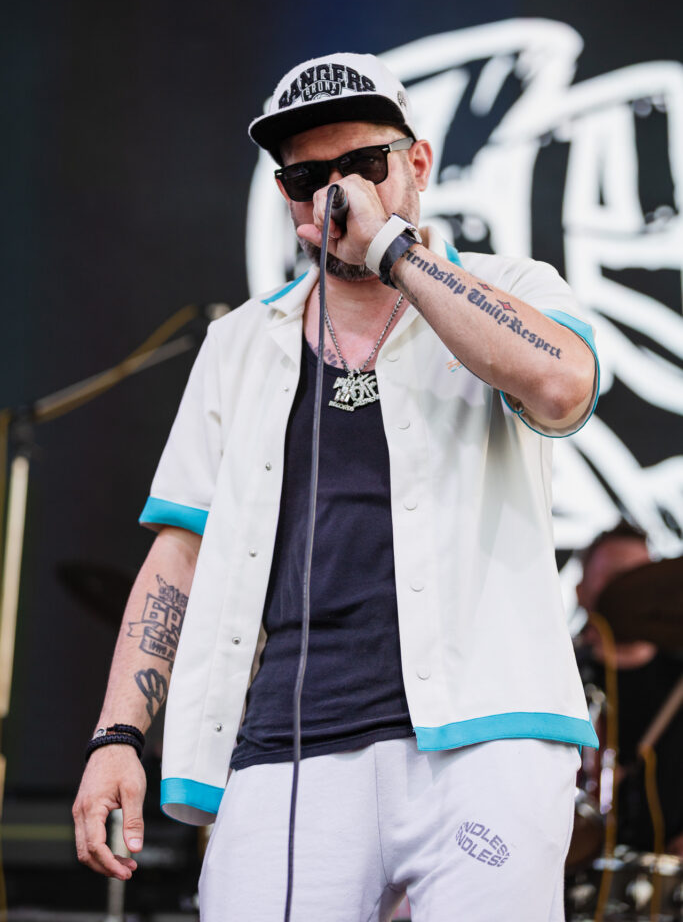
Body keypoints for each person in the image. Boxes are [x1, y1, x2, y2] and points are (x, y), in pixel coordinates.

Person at [73, 52, 601, 922]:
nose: (335, 194)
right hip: (290, 745)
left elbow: (560, 386)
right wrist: (118, 735)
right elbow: (178, 554)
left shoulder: (509, 289)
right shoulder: (240, 344)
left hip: (486, 738)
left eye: (361, 165)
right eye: (306, 178)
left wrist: (394, 250)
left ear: (417, 163)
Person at [576, 522, 683, 857]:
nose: (629, 590)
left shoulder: (678, 678)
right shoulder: (554, 674)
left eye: (640, 578)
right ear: (580, 591)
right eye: (614, 577)